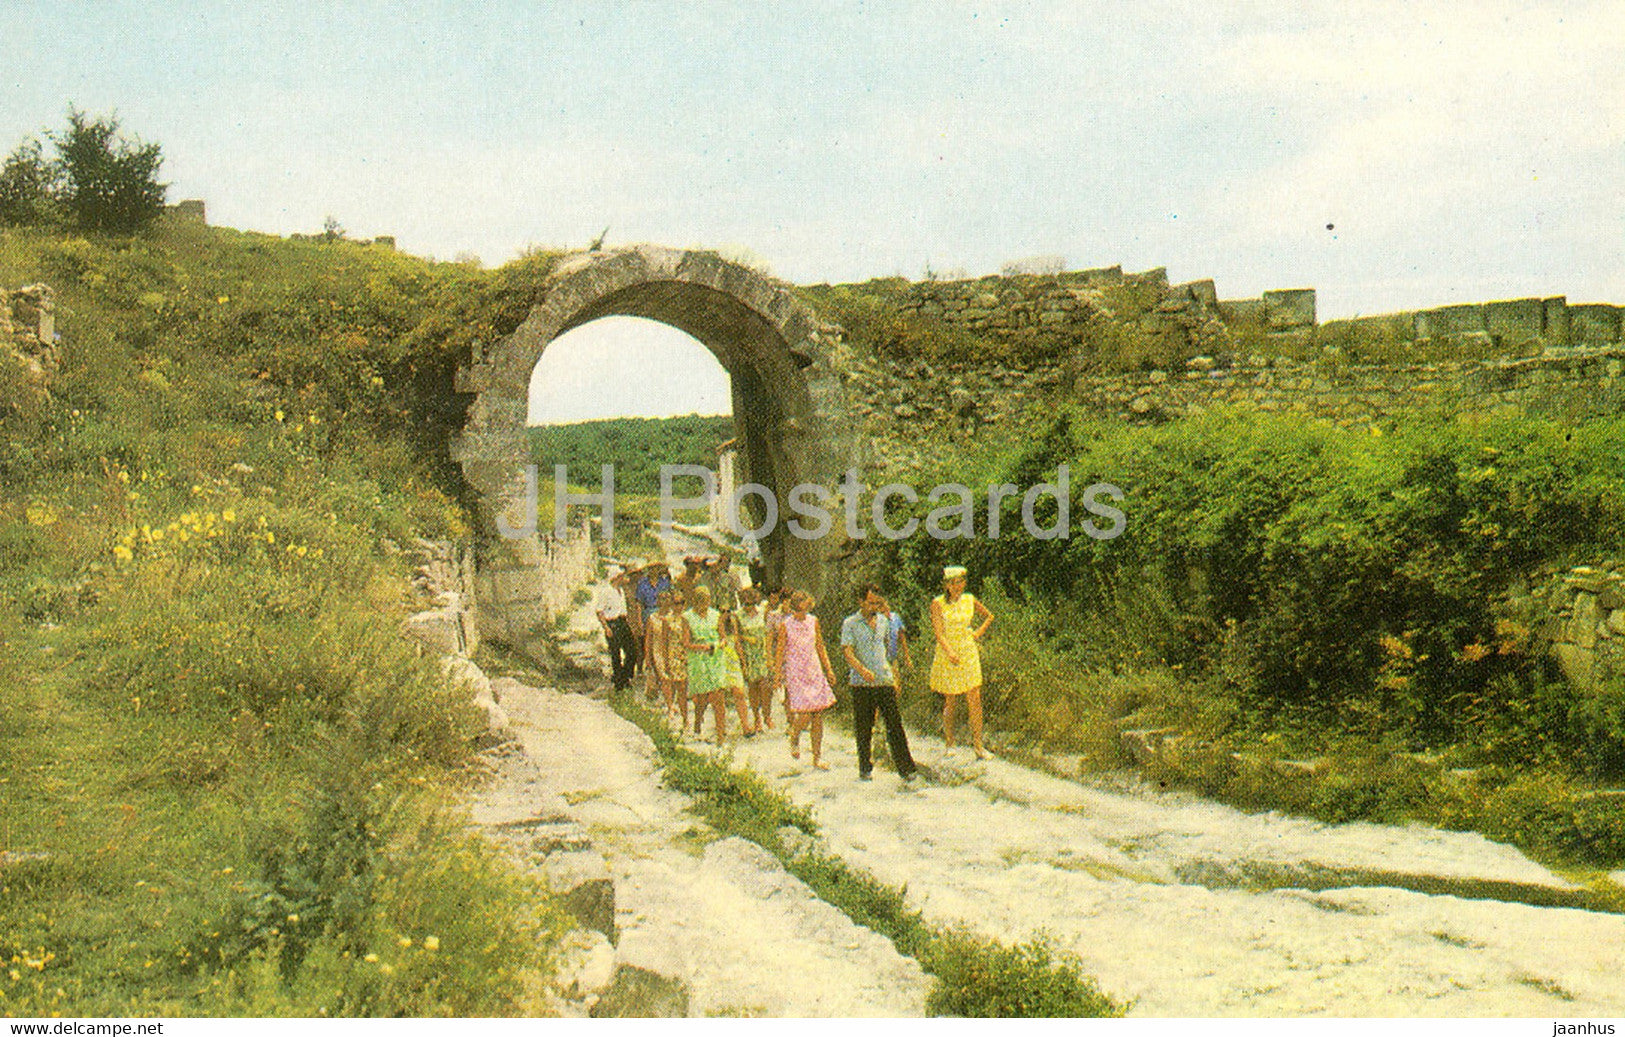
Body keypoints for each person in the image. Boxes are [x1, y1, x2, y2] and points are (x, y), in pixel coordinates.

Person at [841, 583, 918, 783]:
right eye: (870, 602)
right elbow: (847, 652)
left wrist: (894, 675)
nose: (874, 606)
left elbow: (887, 650)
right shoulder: (850, 623)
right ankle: (865, 766)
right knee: (864, 726)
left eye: (877, 603)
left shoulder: (884, 621)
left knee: (894, 723)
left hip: (884, 680)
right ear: (861, 601)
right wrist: (861, 669)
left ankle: (906, 768)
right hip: (861, 683)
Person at [930, 565, 994, 760]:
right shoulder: (938, 603)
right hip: (948, 652)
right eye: (953, 583)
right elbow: (939, 633)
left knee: (974, 697)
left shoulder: (969, 599)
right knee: (951, 699)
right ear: (947, 585)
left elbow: (989, 616)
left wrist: (977, 633)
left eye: (960, 582)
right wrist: (949, 651)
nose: (957, 586)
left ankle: (979, 746)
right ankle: (950, 742)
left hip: (968, 650)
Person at [776, 589, 837, 769]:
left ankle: (817, 757)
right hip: (796, 673)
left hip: (814, 670)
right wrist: (778, 674)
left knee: (817, 713)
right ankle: (795, 735)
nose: (803, 613)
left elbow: (820, 646)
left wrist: (829, 669)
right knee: (804, 714)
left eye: (806, 608)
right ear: (794, 608)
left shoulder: (813, 621)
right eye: (799, 609)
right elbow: (780, 651)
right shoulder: (785, 625)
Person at [681, 585, 730, 745]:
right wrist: (702, 647)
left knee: (718, 696)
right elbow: (686, 643)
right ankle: (697, 722)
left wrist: (720, 644)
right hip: (698, 659)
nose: (704, 603)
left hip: (715, 658)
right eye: (701, 600)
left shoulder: (716, 615)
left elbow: (723, 637)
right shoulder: (687, 617)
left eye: (707, 600)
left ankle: (721, 735)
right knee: (702, 698)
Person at [736, 587, 774, 731]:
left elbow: (768, 633)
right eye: (746, 604)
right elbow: (737, 636)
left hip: (762, 652)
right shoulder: (738, 616)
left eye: (751, 603)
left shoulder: (762, 613)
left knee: (766, 686)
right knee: (753, 687)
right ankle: (757, 717)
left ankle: (767, 715)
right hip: (749, 654)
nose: (749, 606)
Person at [595, 566, 637, 691]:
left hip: (622, 622)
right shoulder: (606, 591)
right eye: (621, 576)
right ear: (616, 577)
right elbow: (599, 611)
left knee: (632, 651)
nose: (624, 578)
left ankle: (624, 676)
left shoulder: (621, 591)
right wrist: (606, 628)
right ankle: (619, 681)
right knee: (616, 653)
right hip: (612, 623)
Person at [716, 608, 756, 736]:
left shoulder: (733, 624)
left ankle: (745, 726)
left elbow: (737, 642)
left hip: (733, 662)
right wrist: (721, 623)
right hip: (721, 660)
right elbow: (720, 639)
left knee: (739, 693)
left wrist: (743, 662)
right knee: (719, 696)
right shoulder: (716, 625)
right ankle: (720, 728)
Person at [646, 589, 681, 723]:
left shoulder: (675, 616)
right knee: (664, 678)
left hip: (673, 649)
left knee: (674, 678)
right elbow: (648, 639)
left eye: (667, 598)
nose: (665, 601)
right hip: (658, 650)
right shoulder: (652, 618)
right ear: (658, 601)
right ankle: (670, 706)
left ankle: (672, 701)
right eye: (662, 598)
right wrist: (648, 657)